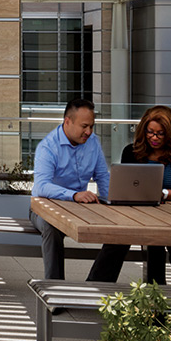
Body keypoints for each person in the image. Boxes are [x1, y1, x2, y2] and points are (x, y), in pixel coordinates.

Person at [96, 106, 171, 286]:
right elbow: (126, 189)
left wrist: (165, 193)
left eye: (160, 134)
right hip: (142, 214)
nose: (154, 138)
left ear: (170, 133)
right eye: (150, 132)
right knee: (125, 238)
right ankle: (154, 293)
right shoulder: (131, 152)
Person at [32, 97, 113, 280]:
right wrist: (74, 195)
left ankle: (96, 284)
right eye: (84, 126)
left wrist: (113, 205)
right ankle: (55, 290)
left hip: (80, 208)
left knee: (120, 230)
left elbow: (102, 177)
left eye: (91, 126)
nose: (89, 131)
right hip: (44, 207)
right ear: (67, 122)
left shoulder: (93, 142)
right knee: (51, 227)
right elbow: (41, 187)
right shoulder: (48, 147)